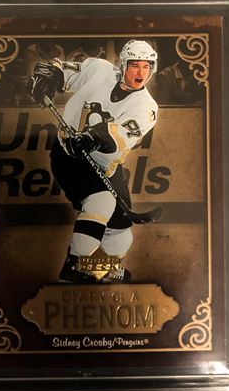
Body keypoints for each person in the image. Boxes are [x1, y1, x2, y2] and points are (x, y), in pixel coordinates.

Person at [27, 40, 159, 283]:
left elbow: (118, 136)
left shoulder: (147, 107)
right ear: (123, 65)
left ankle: (100, 269)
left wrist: (92, 138)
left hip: (106, 166)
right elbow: (61, 70)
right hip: (69, 155)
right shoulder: (99, 70)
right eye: (134, 65)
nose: (141, 72)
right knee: (102, 201)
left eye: (146, 66)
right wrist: (48, 76)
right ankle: (75, 266)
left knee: (121, 231)